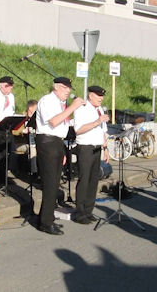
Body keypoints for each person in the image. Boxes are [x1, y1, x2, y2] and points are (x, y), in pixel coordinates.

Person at [35, 77, 85, 235]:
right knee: (50, 183)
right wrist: (73, 107)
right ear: (56, 87)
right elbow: (54, 122)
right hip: (47, 141)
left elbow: (61, 127)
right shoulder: (47, 100)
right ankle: (46, 223)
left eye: (69, 88)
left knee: (54, 183)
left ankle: (46, 216)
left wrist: (62, 150)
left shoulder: (60, 104)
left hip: (57, 142)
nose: (68, 91)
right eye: (64, 88)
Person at [73, 85, 110, 224]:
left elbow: (103, 131)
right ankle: (80, 213)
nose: (101, 98)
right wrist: (97, 122)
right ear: (90, 96)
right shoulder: (82, 109)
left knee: (94, 181)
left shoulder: (99, 109)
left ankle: (88, 211)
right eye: (98, 95)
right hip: (86, 148)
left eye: (102, 96)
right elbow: (79, 129)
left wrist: (105, 148)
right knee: (84, 180)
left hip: (97, 148)